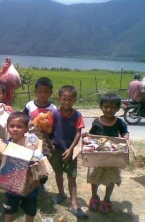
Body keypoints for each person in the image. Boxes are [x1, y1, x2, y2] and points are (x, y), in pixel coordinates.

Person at [87, 93, 129, 214]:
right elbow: (91, 136)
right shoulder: (96, 122)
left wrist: (126, 138)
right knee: (95, 177)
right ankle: (94, 197)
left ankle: (106, 200)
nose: (109, 109)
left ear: (117, 108)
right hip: (98, 157)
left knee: (111, 178)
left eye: (112, 107)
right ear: (101, 107)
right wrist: (87, 138)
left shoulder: (119, 122)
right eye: (106, 106)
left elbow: (125, 133)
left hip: (113, 157)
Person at [50, 85, 88, 219]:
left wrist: (71, 149)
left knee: (72, 176)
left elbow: (78, 132)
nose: (67, 102)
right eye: (64, 99)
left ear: (74, 100)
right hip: (56, 150)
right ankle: (61, 194)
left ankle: (74, 204)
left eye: (70, 99)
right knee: (58, 173)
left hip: (70, 150)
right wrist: (51, 144)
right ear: (59, 98)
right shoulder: (54, 114)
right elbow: (49, 130)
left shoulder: (77, 115)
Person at [4, 112, 39, 222]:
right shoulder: (6, 144)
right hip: (11, 188)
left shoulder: (31, 143)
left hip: (30, 188)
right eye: (12, 126)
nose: (15, 129)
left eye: (19, 126)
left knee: (30, 211)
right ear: (7, 127)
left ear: (26, 129)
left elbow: (40, 161)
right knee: (9, 211)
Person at [23, 77, 56, 192]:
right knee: (31, 161)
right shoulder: (30, 105)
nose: (43, 95)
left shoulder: (53, 108)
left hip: (46, 141)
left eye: (46, 92)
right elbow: (24, 120)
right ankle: (31, 181)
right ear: (35, 92)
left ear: (51, 93)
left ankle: (42, 183)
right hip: (31, 140)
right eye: (40, 92)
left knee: (43, 162)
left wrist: (52, 142)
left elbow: (54, 126)